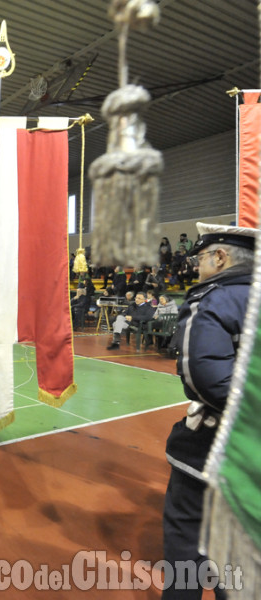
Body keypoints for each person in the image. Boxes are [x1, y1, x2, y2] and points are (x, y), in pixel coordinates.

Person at [162, 223, 256, 599]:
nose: (196, 267)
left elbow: (204, 378)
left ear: (220, 257)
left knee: (186, 544)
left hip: (214, 446)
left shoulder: (214, 298)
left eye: (200, 258)